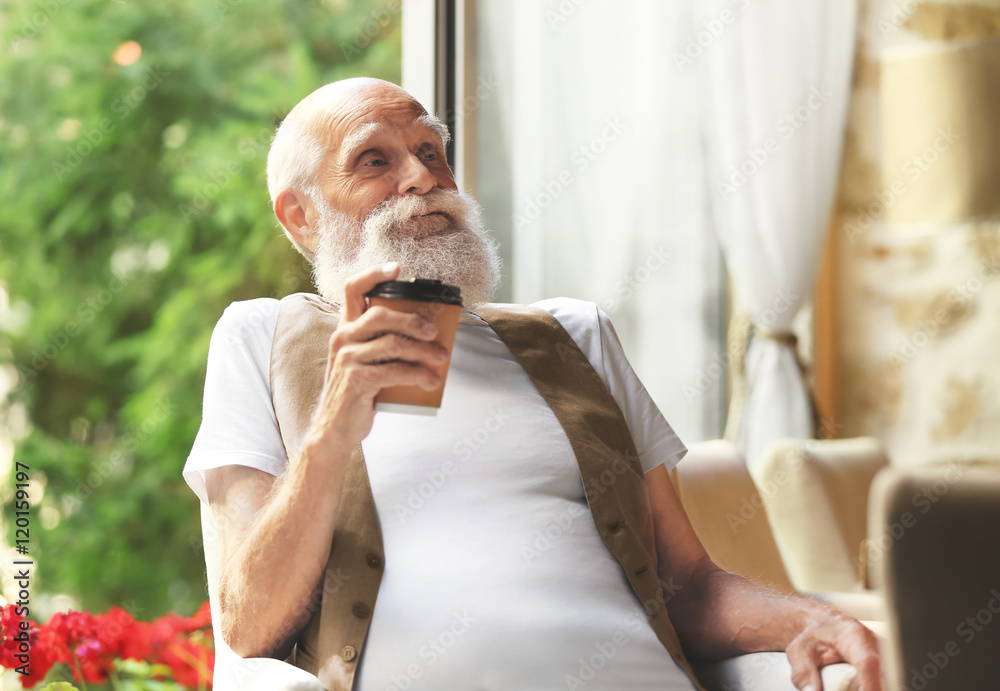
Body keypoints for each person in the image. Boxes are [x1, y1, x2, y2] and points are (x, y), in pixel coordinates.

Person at [183, 77, 882, 691]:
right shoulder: (261, 338)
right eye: (375, 159)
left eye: (432, 151)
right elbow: (248, 624)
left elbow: (690, 587)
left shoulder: (574, 335)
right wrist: (335, 426)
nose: (422, 177)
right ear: (300, 216)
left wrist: (815, 617)